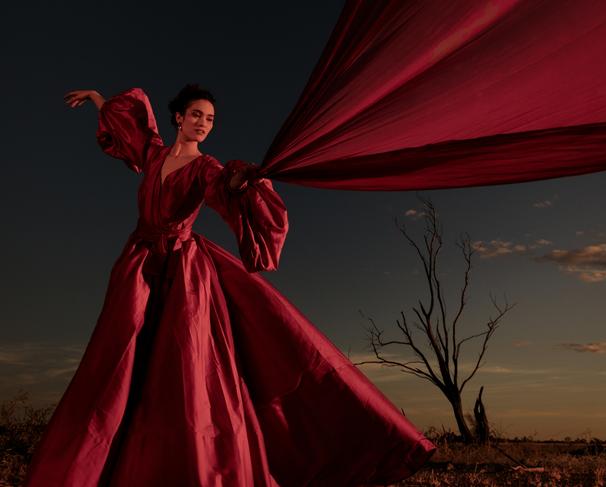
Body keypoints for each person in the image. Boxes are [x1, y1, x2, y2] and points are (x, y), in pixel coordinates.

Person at [23, 84, 435, 486]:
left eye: (211, 119)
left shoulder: (206, 167)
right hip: (139, 266)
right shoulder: (154, 154)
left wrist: (240, 185)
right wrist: (97, 98)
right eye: (197, 115)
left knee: (183, 367)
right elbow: (132, 131)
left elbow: (224, 188)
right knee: (120, 358)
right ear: (179, 118)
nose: (204, 124)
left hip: (184, 273)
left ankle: (190, 463)